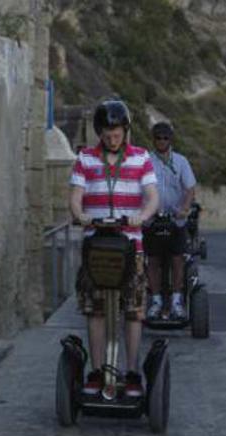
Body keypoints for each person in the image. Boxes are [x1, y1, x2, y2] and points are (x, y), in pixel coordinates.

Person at [69, 99, 159, 398]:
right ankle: (96, 372)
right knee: (95, 311)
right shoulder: (85, 159)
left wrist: (143, 215)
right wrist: (80, 214)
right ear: (99, 132)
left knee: (133, 310)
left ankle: (132, 373)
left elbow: (152, 196)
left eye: (117, 132)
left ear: (125, 130)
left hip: (130, 246)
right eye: (107, 133)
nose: (112, 138)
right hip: (96, 247)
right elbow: (75, 195)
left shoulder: (141, 158)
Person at [145, 122, 196, 320]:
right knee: (153, 260)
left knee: (177, 259)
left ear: (170, 139)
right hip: (152, 219)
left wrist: (184, 209)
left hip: (176, 220)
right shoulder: (146, 161)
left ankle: (176, 300)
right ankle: (156, 300)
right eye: (158, 137)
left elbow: (190, 188)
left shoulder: (181, 161)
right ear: (153, 139)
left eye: (165, 137)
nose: (161, 141)